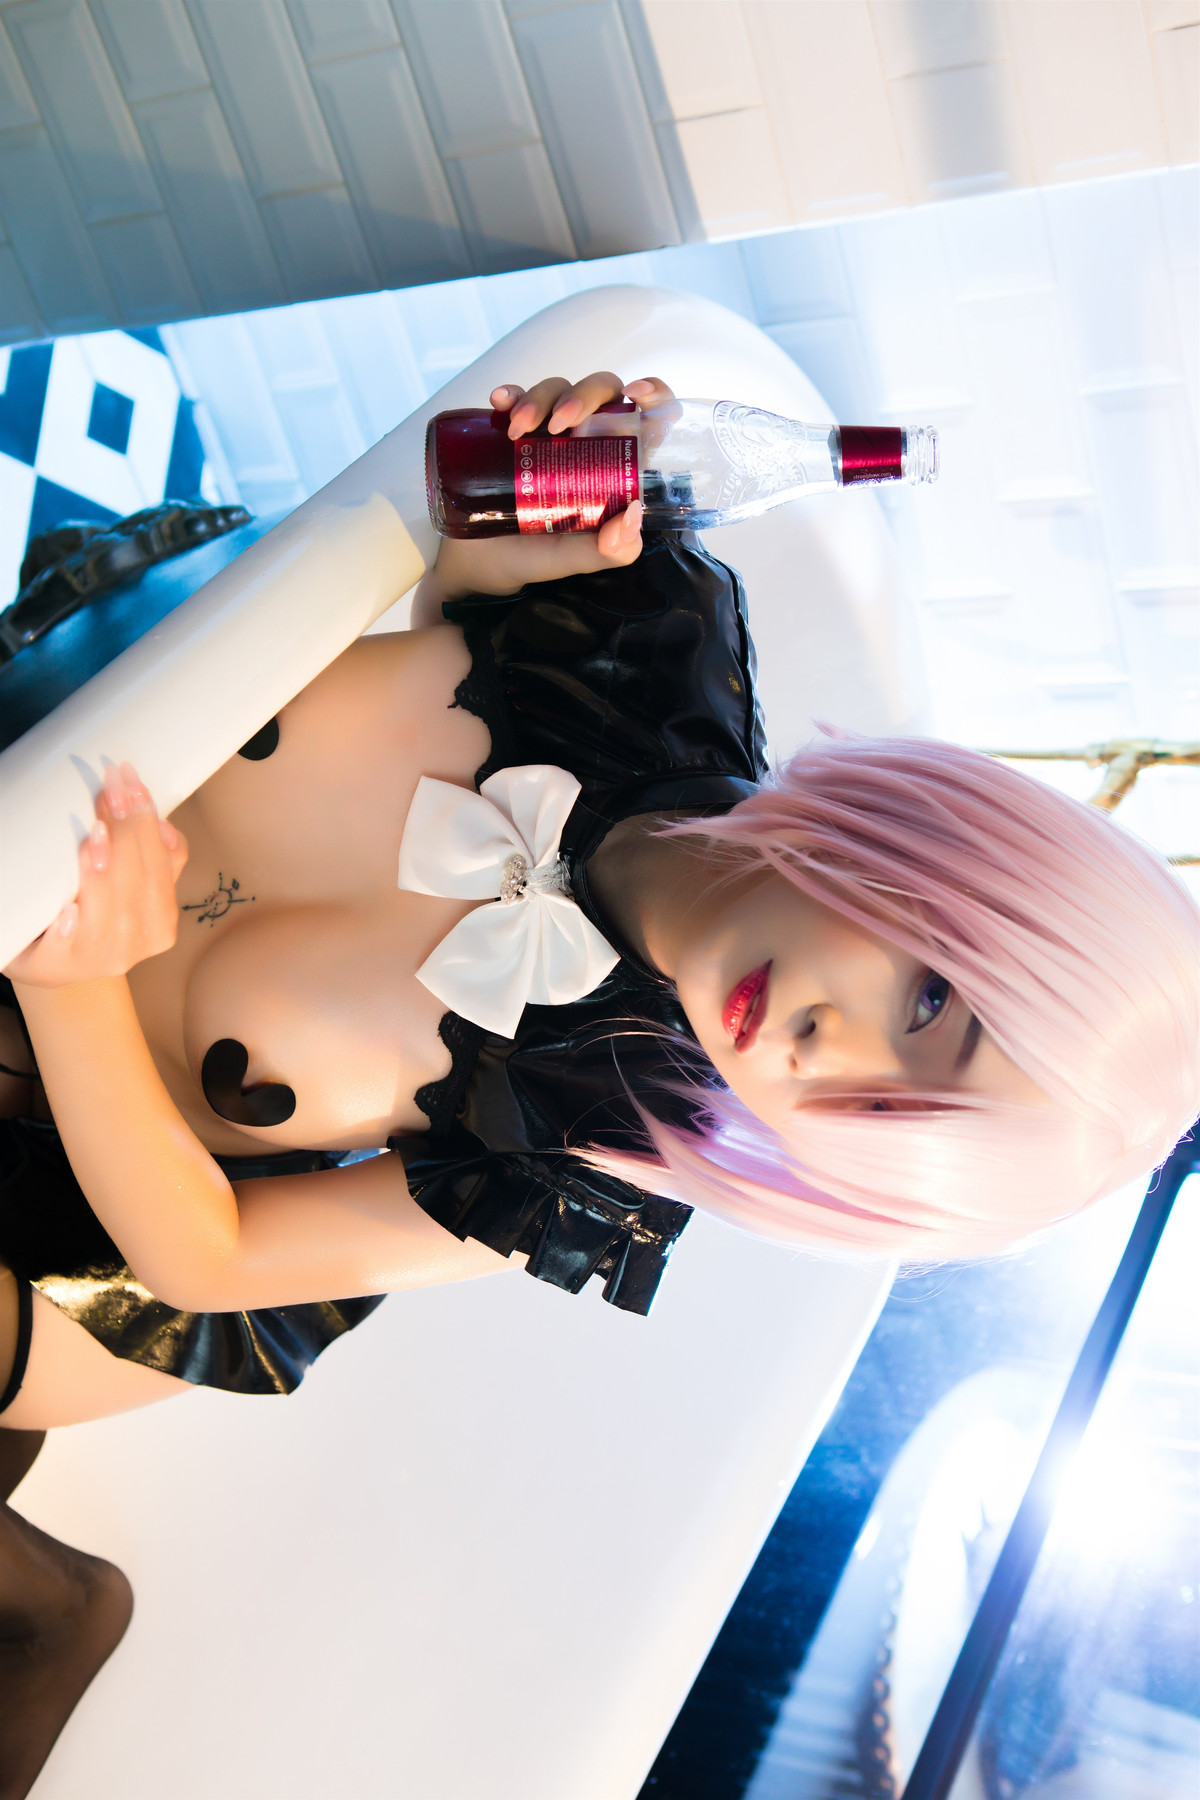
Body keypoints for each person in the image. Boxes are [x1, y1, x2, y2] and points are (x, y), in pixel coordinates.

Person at [1, 373, 1197, 1787]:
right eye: (927, 1002)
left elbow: (208, 1258)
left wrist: (70, 990)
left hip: (70, 1188)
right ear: (953, 862)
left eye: (875, 1122)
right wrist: (533, 465)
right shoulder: (641, 639)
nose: (823, 1055)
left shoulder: (581, 1155)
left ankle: (51, 1612)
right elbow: (437, 538)